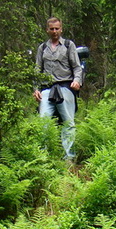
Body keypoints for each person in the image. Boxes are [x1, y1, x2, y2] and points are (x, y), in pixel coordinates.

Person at [33, 18, 82, 161]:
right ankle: (43, 158)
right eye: (51, 29)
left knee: (68, 123)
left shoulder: (68, 45)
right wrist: (36, 89)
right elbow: (37, 70)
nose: (54, 31)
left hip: (65, 87)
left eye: (57, 28)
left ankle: (69, 158)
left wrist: (77, 81)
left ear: (61, 29)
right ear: (47, 30)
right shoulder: (42, 48)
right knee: (44, 123)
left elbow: (77, 67)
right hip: (47, 89)